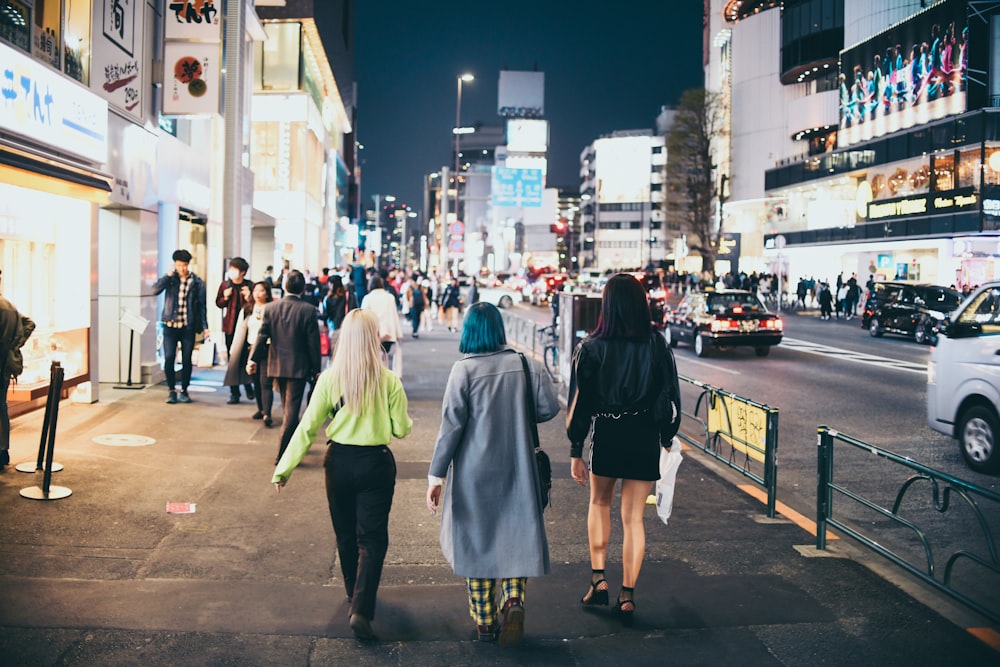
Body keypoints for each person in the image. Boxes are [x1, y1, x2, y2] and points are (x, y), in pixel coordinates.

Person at [273, 309, 412, 640]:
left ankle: (354, 599)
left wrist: (284, 469)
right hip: (375, 463)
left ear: (344, 339)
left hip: (337, 462)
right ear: (374, 338)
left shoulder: (328, 379)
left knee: (346, 536)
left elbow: (307, 428)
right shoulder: (389, 380)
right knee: (373, 537)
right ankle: (362, 609)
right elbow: (401, 429)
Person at [426, 303, 559, 645]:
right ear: (500, 329)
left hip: (473, 473)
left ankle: (485, 622)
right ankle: (513, 600)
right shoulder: (525, 364)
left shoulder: (463, 371)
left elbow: (451, 427)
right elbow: (547, 409)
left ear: (470, 331)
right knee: (516, 536)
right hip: (518, 467)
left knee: (476, 542)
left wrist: (436, 475)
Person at [566, 273, 681, 626]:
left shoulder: (591, 347)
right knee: (634, 518)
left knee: (599, 503)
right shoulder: (656, 344)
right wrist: (665, 436)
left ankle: (598, 579)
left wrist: (576, 449)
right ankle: (627, 595)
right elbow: (671, 397)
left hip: (609, 432)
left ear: (608, 306)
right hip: (644, 433)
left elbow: (579, 404)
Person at [248, 270, 321, 463]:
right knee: (291, 411)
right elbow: (313, 344)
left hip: (276, 365)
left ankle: (294, 446)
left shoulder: (270, 308)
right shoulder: (308, 310)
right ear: (303, 288)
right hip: (298, 368)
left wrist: (252, 359)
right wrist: (317, 369)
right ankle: (283, 454)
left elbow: (262, 337)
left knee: (289, 408)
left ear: (284, 286)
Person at [153, 249, 209, 404]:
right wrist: (168, 275)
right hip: (170, 326)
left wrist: (205, 327)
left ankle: (184, 390)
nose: (182, 268)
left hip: (187, 327)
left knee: (186, 360)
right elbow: (154, 290)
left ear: (188, 265)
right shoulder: (171, 280)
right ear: (174, 265)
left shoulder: (197, 283)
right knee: (169, 358)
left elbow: (202, 306)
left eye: (184, 265)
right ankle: (171, 390)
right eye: (178, 265)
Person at [0, 279, 35, 468]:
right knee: (1, 406)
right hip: (6, 365)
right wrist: (15, 345)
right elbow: (30, 323)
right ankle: (3, 450)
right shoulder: (9, 306)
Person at [216, 257, 255, 404]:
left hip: (246, 329)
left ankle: (247, 385)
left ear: (243, 272)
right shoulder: (225, 285)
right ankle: (234, 392)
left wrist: (249, 296)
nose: (231, 271)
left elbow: (256, 304)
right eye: (231, 268)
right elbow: (218, 303)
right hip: (230, 327)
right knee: (232, 360)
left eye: (235, 269)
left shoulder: (250, 286)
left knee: (244, 358)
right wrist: (225, 297)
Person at [242, 282, 275, 426]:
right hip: (251, 347)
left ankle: (267, 413)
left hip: (267, 348)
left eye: (261, 291)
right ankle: (261, 409)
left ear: (267, 293)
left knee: (265, 381)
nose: (257, 293)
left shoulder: (272, 309)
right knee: (255, 381)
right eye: (255, 290)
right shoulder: (248, 308)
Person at [361, 276, 402, 371]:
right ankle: (385, 378)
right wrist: (398, 333)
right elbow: (394, 316)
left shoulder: (367, 298)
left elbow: (363, 318)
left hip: (373, 334)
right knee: (384, 357)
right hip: (388, 333)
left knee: (374, 359)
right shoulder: (390, 297)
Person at [321, 274, 357, 356]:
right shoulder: (349, 296)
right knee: (348, 355)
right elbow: (354, 311)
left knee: (334, 356)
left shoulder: (328, 299)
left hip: (334, 329)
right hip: (348, 329)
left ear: (332, 284)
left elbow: (325, 315)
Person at [403, 273, 427, 338]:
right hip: (420, 305)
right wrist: (425, 305)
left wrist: (409, 301)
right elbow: (424, 296)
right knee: (418, 318)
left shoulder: (410, 287)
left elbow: (407, 296)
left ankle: (414, 330)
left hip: (412, 305)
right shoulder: (420, 286)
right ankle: (416, 330)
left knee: (414, 318)